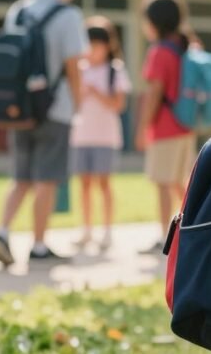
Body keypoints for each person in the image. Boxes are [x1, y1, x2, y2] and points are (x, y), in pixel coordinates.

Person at [0, 0, 87, 265]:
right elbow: (73, 66)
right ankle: (39, 245)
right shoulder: (68, 15)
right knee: (47, 178)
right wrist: (79, 105)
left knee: (21, 177)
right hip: (55, 107)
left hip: (20, 107)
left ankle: (2, 232)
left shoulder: (18, 9)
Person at [133, 0, 196, 254]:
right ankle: (195, 225)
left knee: (162, 183)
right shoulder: (185, 47)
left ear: (154, 22)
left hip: (165, 128)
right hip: (185, 125)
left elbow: (154, 93)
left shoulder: (160, 51)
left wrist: (142, 128)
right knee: (179, 182)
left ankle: (164, 237)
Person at [69, 16, 131, 250]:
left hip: (105, 136)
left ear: (108, 46)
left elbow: (119, 105)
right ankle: (86, 230)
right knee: (84, 185)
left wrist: (95, 92)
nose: (93, 50)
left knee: (104, 184)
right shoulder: (78, 70)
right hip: (80, 135)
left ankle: (107, 230)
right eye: (89, 45)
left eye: (97, 45)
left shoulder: (115, 70)